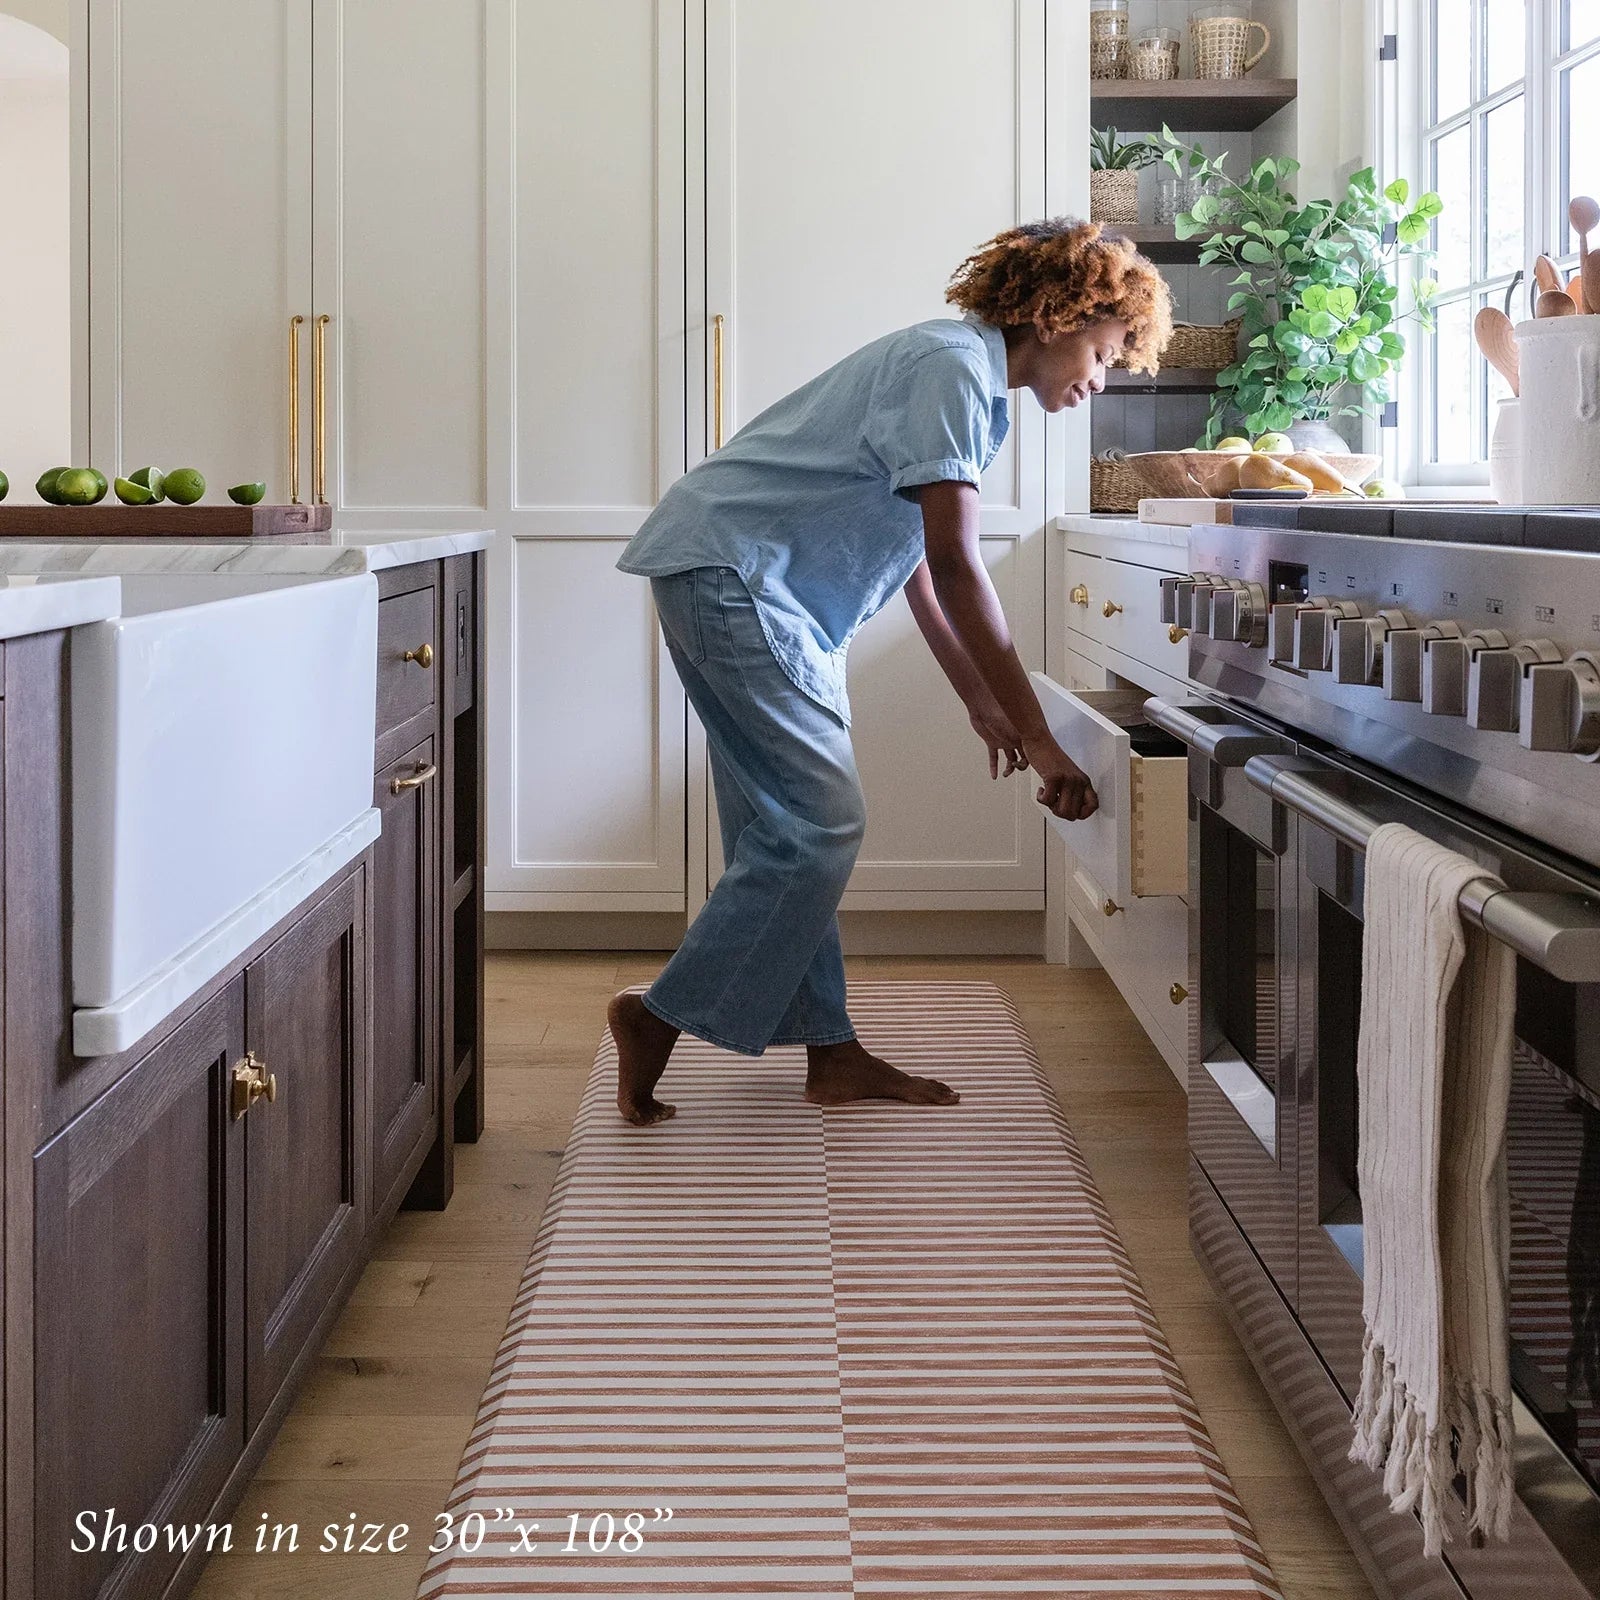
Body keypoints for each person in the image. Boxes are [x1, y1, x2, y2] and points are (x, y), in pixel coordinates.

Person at [608, 218, 1173, 1125]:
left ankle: (830, 1053)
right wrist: (1036, 733)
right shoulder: (951, 369)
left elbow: (914, 558)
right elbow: (956, 563)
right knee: (820, 829)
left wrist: (983, 701)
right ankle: (658, 1018)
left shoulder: (969, 384)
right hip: (742, 579)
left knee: (785, 835)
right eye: (1104, 355)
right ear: (1061, 315)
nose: (1100, 380)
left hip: (759, 588)